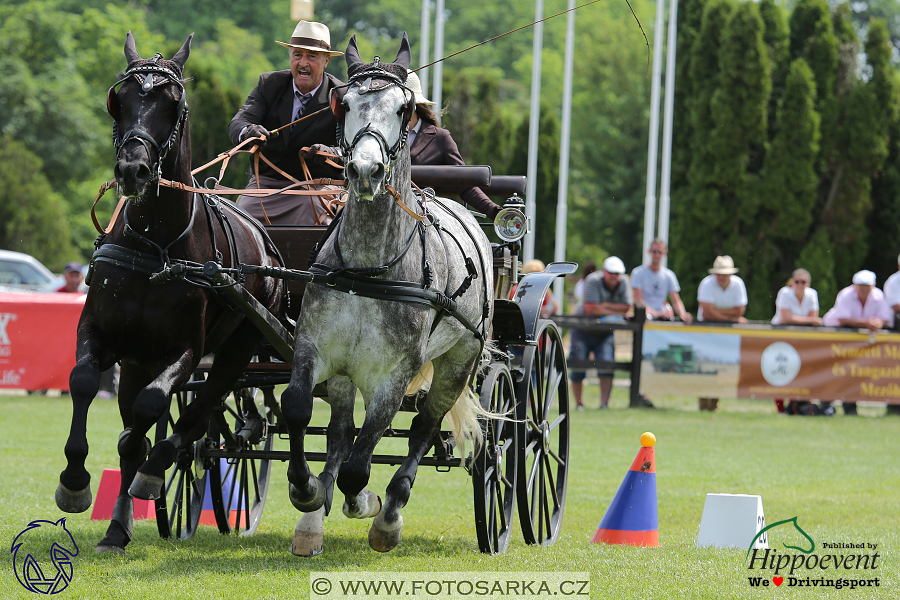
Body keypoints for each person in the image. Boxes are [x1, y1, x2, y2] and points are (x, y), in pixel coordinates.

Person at [228, 21, 344, 225]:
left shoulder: (342, 95)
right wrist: (248, 131)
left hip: (317, 187)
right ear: (289, 56)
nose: (303, 63)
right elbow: (239, 122)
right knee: (240, 218)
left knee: (317, 216)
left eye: (312, 56)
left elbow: (350, 149)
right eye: (297, 54)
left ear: (326, 61)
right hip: (266, 185)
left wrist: (328, 152)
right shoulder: (268, 84)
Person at [405, 71, 503, 220]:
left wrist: (496, 212)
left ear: (414, 104)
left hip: (421, 218)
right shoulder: (377, 137)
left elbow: (464, 183)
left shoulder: (440, 138)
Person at [822, 269, 894, 416]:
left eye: (866, 286)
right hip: (837, 337)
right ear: (854, 285)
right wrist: (867, 324)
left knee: (852, 372)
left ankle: (850, 407)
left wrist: (878, 323)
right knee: (834, 371)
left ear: (872, 286)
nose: (863, 289)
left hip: (858, 343)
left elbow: (885, 318)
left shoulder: (878, 296)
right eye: (860, 285)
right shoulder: (845, 295)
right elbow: (843, 319)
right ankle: (825, 405)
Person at [569, 256, 632, 410]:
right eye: (611, 272)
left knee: (607, 365)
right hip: (582, 329)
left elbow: (626, 307)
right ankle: (579, 404)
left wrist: (603, 305)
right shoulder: (592, 280)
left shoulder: (624, 282)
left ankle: (604, 404)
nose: (614, 276)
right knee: (578, 365)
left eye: (617, 273)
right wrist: (613, 308)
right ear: (604, 271)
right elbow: (591, 309)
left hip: (605, 332)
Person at [696, 255, 747, 411]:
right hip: (707, 331)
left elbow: (739, 310)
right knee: (705, 366)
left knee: (721, 366)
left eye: (724, 274)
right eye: (718, 273)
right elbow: (707, 313)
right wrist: (730, 317)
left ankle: (714, 402)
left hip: (725, 333)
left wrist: (717, 312)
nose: (721, 277)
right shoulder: (706, 284)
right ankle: (703, 401)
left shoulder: (738, 285)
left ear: (731, 274)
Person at [770, 268, 822, 415]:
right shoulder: (784, 293)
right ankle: (780, 409)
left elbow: (813, 319)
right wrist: (809, 320)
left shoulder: (812, 295)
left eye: (803, 282)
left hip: (800, 339)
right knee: (780, 372)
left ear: (808, 283)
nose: (799, 284)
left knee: (798, 371)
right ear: (791, 282)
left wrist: (808, 321)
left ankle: (793, 406)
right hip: (781, 337)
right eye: (797, 281)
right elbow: (786, 318)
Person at [631, 239, 692, 323]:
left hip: (663, 318)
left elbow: (676, 299)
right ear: (649, 251)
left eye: (659, 252)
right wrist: (655, 314)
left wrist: (683, 315)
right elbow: (638, 299)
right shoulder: (638, 273)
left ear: (665, 253)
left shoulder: (669, 275)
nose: (657, 255)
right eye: (654, 251)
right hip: (644, 319)